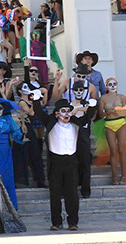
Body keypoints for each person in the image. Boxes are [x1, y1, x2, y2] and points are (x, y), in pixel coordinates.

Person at [32, 98, 98, 231]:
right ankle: (56, 222)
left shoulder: (75, 123)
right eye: (63, 111)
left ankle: (72, 222)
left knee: (72, 193)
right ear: (57, 113)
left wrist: (92, 106)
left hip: (71, 162)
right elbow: (38, 111)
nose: (67, 114)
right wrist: (37, 99)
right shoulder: (51, 122)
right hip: (56, 162)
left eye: (68, 111)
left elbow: (88, 116)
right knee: (55, 193)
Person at [92, 77, 126, 185]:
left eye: (114, 84)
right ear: (106, 86)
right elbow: (101, 114)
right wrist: (108, 112)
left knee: (121, 149)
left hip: (121, 123)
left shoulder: (122, 97)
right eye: (110, 84)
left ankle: (124, 176)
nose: (112, 86)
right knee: (113, 150)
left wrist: (124, 111)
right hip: (108, 124)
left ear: (117, 85)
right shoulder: (103, 98)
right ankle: (114, 177)